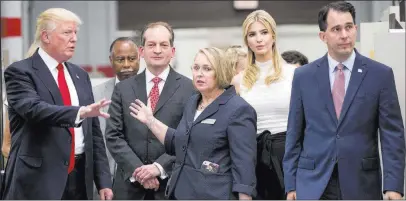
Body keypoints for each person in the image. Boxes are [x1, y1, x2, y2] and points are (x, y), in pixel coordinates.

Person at [283, 1, 405, 200]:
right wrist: (290, 184)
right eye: (336, 29)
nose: (344, 35)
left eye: (349, 27)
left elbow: (392, 135)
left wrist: (393, 185)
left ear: (356, 29)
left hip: (361, 183)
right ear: (323, 36)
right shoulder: (303, 76)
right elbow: (294, 133)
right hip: (313, 183)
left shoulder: (380, 74)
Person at [1, 8, 113, 200]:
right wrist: (79, 113)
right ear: (46, 36)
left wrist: (103, 181)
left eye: (76, 33)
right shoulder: (20, 72)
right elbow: (34, 109)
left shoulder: (80, 75)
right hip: (38, 180)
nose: (74, 38)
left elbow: (93, 134)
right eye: (67, 32)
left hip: (79, 179)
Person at [130, 47, 257, 200]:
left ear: (221, 71)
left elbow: (244, 166)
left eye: (207, 69)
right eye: (196, 68)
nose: (199, 74)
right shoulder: (192, 102)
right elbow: (180, 142)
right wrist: (150, 121)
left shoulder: (238, 109)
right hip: (182, 192)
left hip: (215, 195)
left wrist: (245, 197)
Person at [105, 21, 196, 200]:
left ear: (173, 51)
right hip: (129, 187)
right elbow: (113, 135)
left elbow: (188, 136)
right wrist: (139, 171)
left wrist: (158, 168)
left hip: (171, 186)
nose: (157, 50)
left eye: (163, 45)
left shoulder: (190, 89)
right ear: (141, 51)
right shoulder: (123, 89)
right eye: (151, 45)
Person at [231, 9, 296, 200]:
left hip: (288, 154)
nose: (259, 39)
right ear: (247, 41)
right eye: (252, 34)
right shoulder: (238, 81)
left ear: (273, 36)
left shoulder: (294, 74)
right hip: (253, 156)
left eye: (264, 32)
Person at [91, 37, 140, 199]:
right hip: (104, 185)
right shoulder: (95, 95)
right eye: (120, 59)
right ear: (111, 60)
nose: (126, 65)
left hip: (140, 183)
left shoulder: (151, 93)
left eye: (132, 59)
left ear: (139, 57)